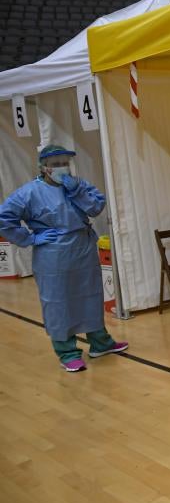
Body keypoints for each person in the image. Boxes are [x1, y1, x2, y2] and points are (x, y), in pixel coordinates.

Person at [0, 145, 128, 372]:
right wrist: (30, 238)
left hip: (84, 248)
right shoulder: (29, 193)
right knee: (58, 301)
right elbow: (4, 218)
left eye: (65, 162)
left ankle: (100, 342)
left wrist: (76, 190)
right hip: (53, 253)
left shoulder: (77, 184)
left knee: (91, 295)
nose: (61, 167)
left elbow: (97, 206)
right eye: (56, 163)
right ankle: (67, 352)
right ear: (44, 168)